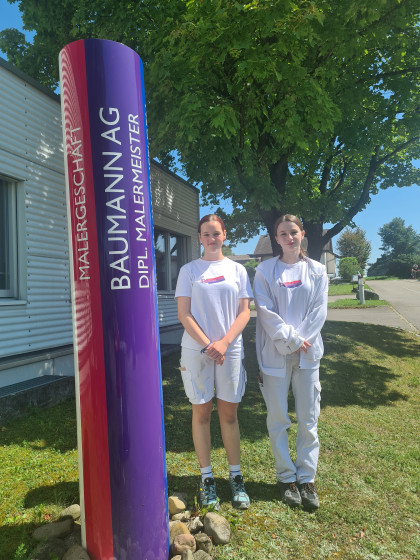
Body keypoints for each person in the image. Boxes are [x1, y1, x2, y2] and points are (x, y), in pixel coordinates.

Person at [175, 214, 253, 510]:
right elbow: (184, 314)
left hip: (229, 350)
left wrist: (223, 343)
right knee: (202, 413)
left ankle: (236, 477)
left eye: (216, 233)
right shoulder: (189, 270)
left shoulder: (237, 270)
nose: (211, 238)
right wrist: (209, 344)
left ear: (225, 236)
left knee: (229, 415)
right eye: (206, 234)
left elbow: (244, 312)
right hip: (197, 351)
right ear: (199, 238)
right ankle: (207, 478)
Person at [253, 214, 328, 511]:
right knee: (278, 418)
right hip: (274, 355)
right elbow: (265, 310)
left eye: (293, 232)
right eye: (283, 234)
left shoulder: (318, 271)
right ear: (276, 238)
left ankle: (307, 478)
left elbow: (319, 311)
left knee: (309, 419)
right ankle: (286, 478)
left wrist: (300, 342)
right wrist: (291, 340)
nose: (289, 238)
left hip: (308, 356)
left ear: (302, 234)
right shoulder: (264, 270)